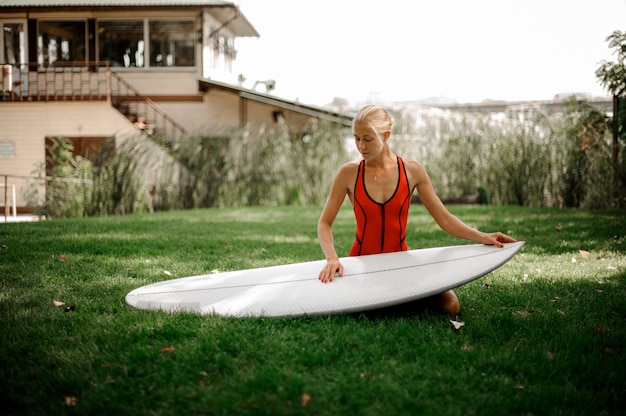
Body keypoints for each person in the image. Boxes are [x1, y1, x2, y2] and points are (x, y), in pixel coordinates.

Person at [317, 105, 516, 315]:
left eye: (368, 139)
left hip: (401, 261)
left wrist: (483, 236)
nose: (361, 146)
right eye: (356, 138)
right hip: (362, 261)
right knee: (364, 309)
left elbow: (445, 219)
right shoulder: (349, 173)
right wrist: (332, 258)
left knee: (450, 305)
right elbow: (324, 223)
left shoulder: (412, 171)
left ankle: (393, 302)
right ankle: (392, 302)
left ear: (386, 136)